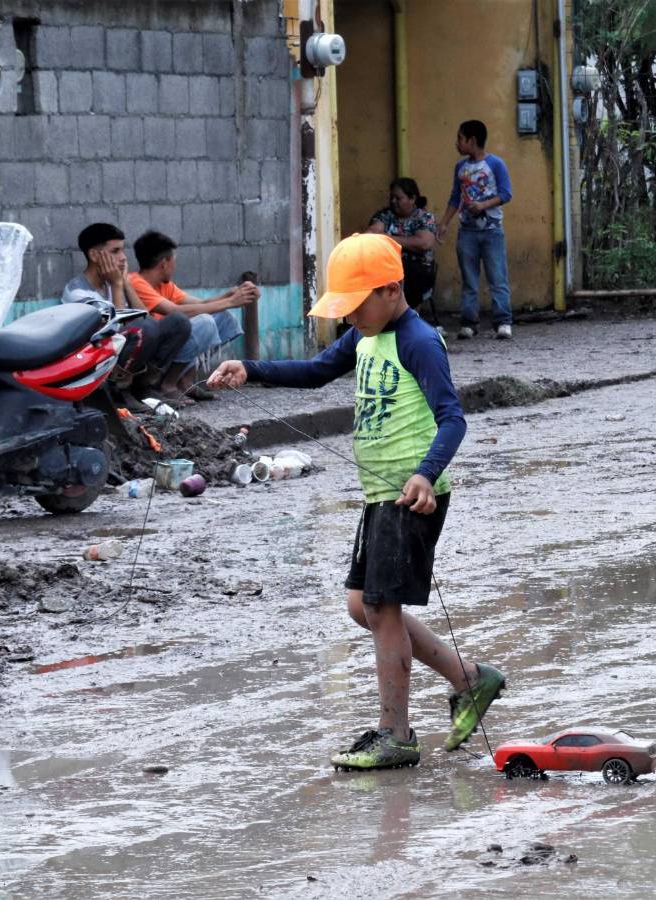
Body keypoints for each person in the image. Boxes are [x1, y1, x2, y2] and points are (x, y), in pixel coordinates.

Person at [208, 233, 505, 771]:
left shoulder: (417, 340)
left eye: (355, 305)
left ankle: (395, 733)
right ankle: (468, 677)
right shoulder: (364, 336)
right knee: (361, 606)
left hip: (411, 496)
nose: (348, 318)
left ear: (391, 290)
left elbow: (453, 418)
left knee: (380, 607)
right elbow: (317, 371)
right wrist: (250, 368)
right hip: (379, 495)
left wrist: (424, 474)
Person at [62, 223, 191, 404]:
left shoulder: (111, 282)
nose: (123, 258)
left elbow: (146, 318)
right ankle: (118, 393)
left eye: (123, 251)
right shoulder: (79, 293)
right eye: (115, 251)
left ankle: (142, 388)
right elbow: (113, 333)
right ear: (94, 255)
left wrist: (125, 283)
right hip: (97, 364)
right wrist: (116, 285)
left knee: (178, 322)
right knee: (141, 329)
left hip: (121, 353)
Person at [129, 230, 259, 402]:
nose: (175, 265)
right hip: (154, 356)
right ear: (164, 263)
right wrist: (231, 301)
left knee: (223, 318)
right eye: (174, 259)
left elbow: (202, 304)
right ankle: (167, 385)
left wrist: (232, 294)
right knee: (204, 322)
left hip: (171, 346)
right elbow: (175, 311)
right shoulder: (136, 282)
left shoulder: (165, 285)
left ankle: (186, 382)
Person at [436, 119, 513, 341]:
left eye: (460, 138)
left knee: (497, 277)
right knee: (469, 279)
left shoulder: (496, 164)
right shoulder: (460, 168)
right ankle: (469, 323)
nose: (456, 143)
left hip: (492, 230)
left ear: (472, 140)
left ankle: (503, 322)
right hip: (467, 231)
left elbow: (506, 194)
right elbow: (455, 197)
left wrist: (483, 206)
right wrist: (444, 223)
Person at [366, 177, 438, 321]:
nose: (393, 201)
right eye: (392, 197)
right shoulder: (385, 216)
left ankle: (406, 319)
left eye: (398, 198)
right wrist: (406, 242)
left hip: (418, 268)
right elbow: (371, 235)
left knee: (408, 275)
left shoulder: (424, 218)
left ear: (412, 199)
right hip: (388, 266)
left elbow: (424, 243)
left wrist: (387, 238)